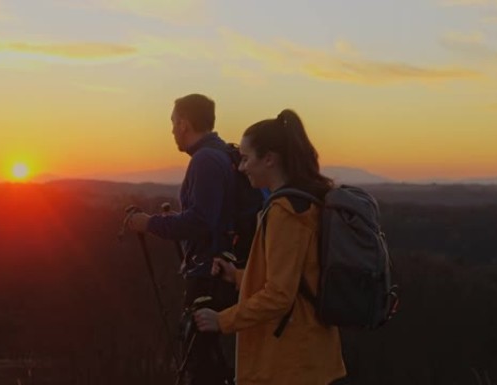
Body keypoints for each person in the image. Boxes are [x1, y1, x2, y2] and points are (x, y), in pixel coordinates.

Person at [193, 109, 347, 384]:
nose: (241, 168)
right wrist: (239, 276)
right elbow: (295, 278)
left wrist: (222, 321)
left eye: (246, 158)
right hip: (309, 353)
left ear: (269, 159)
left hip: (289, 360)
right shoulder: (308, 201)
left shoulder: (285, 212)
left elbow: (279, 295)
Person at [127, 93, 238, 385]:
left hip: (209, 277)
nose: (172, 130)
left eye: (174, 123)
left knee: (201, 366)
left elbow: (200, 221)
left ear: (185, 124)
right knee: (212, 363)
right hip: (224, 272)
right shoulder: (223, 154)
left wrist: (149, 223)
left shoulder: (205, 160)